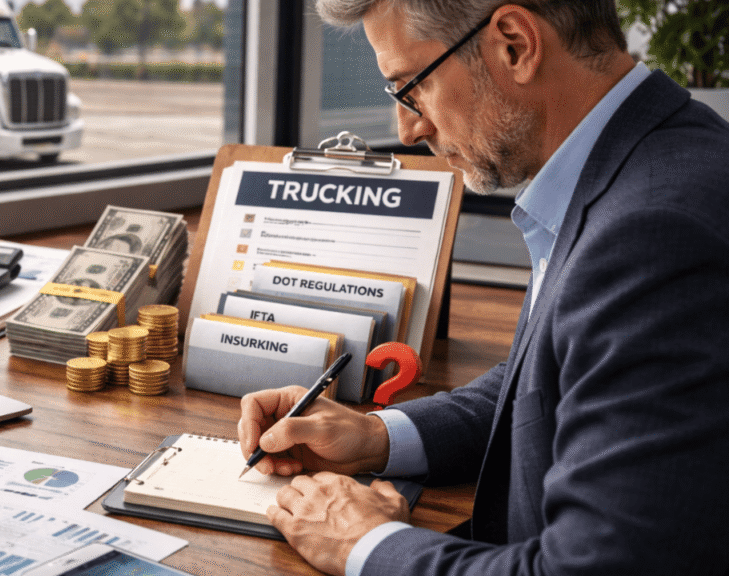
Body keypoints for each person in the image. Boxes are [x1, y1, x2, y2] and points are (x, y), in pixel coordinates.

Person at [237, 1, 729, 575]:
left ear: (514, 44)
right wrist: (377, 436)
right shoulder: (659, 156)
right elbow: (560, 379)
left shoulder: (651, 235)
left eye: (409, 87)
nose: (409, 127)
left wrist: (364, 544)